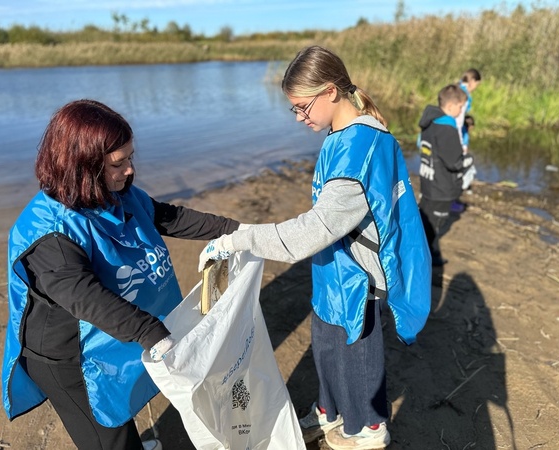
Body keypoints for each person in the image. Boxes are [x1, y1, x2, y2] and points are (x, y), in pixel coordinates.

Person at [198, 45, 431, 450]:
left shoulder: (360, 149)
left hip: (358, 279)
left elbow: (310, 232)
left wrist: (238, 237)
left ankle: (368, 429)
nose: (300, 118)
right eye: (294, 109)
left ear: (330, 91)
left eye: (304, 107)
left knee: (356, 357)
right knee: (325, 347)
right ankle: (329, 412)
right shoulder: (341, 132)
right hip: (332, 271)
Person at [1, 99, 241, 450]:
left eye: (130, 158)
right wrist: (153, 333)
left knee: (121, 410)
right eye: (118, 163)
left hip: (108, 339)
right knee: (108, 437)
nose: (130, 170)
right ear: (83, 166)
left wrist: (237, 231)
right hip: (67, 356)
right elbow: (86, 297)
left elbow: (168, 217)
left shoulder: (114, 193)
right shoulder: (49, 234)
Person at [417, 84, 474, 267]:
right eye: (460, 107)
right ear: (451, 106)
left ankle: (425, 251)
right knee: (434, 224)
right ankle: (425, 258)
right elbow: (453, 162)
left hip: (428, 181)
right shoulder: (447, 128)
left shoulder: (430, 122)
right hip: (441, 187)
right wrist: (466, 158)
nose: (461, 111)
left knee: (424, 218)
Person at [451, 68, 482, 212]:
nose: (476, 88)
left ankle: (451, 200)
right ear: (472, 81)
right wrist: (461, 143)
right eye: (477, 84)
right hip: (454, 136)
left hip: (449, 133)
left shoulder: (455, 89)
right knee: (456, 170)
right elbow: (457, 119)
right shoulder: (463, 94)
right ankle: (452, 202)